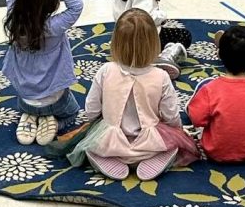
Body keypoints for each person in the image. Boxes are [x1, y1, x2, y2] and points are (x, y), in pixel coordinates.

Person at [70, 10, 200, 181]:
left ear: (115, 42)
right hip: (150, 146)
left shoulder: (106, 70)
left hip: (110, 144)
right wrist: (176, 131)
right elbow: (170, 114)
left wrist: (96, 123)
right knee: (173, 145)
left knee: (90, 145)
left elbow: (91, 108)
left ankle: (99, 157)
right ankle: (157, 158)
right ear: (154, 44)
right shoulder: (161, 76)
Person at [3, 0, 83, 146]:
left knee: (32, 104)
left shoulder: (14, 21)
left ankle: (30, 116)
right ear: (51, 0)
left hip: (25, 99)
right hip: (55, 101)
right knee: (73, 112)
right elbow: (76, 6)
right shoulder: (54, 27)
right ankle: (55, 121)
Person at [188, 26, 245, 163]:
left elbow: (197, 119)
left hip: (215, 150)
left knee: (198, 107)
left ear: (219, 55)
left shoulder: (210, 89)